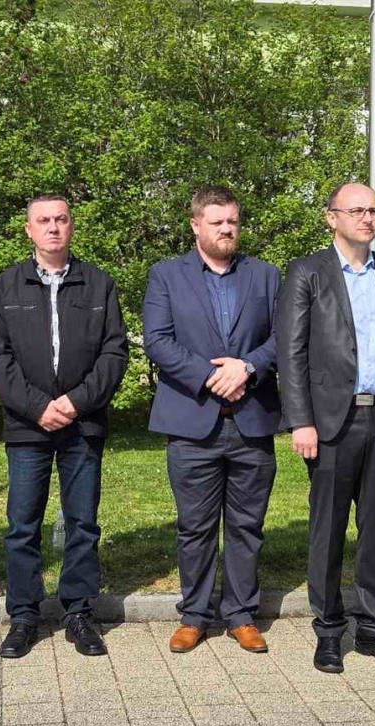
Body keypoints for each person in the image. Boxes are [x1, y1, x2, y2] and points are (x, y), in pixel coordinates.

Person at [277, 182, 375, 674]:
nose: (367, 218)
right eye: (357, 210)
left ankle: (373, 629)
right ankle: (328, 631)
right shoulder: (307, 272)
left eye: (374, 210)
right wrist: (300, 421)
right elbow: (291, 353)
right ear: (332, 217)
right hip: (330, 422)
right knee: (327, 530)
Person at [0, 195, 128, 659]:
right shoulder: (5, 286)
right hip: (27, 427)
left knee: (82, 522)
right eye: (43, 220)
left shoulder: (99, 284)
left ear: (71, 226)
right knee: (22, 525)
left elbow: (114, 354)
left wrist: (76, 401)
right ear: (28, 229)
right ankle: (24, 616)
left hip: (83, 425)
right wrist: (38, 407)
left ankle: (78, 613)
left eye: (61, 219)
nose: (53, 227)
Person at [143, 187, 281, 655]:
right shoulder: (166, 275)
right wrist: (211, 376)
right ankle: (195, 615)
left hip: (252, 421)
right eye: (217, 221)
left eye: (233, 221)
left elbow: (284, 336)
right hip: (192, 424)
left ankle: (241, 614)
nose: (227, 229)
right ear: (196, 225)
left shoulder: (265, 276)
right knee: (195, 526)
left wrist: (247, 367)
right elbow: (158, 340)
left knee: (247, 525)